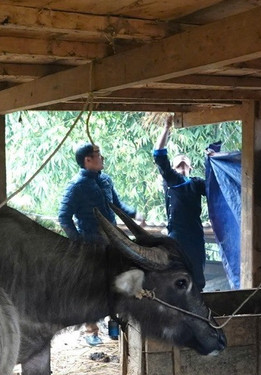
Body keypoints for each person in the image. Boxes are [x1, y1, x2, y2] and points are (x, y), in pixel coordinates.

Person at [59, 142, 136, 346]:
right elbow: (64, 217)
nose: (102, 158)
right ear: (87, 160)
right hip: (90, 244)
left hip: (112, 243)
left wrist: (134, 214)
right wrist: (79, 242)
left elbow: (117, 206)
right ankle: (91, 331)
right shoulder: (76, 186)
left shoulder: (106, 181)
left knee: (115, 283)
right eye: (98, 154)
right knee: (91, 289)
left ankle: (114, 325)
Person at [152, 116, 219, 290]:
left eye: (184, 166)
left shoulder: (196, 183)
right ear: (173, 169)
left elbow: (216, 188)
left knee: (197, 275)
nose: (182, 168)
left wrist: (214, 159)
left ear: (190, 168)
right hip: (177, 235)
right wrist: (166, 128)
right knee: (175, 272)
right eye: (178, 166)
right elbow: (158, 155)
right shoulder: (172, 181)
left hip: (195, 235)